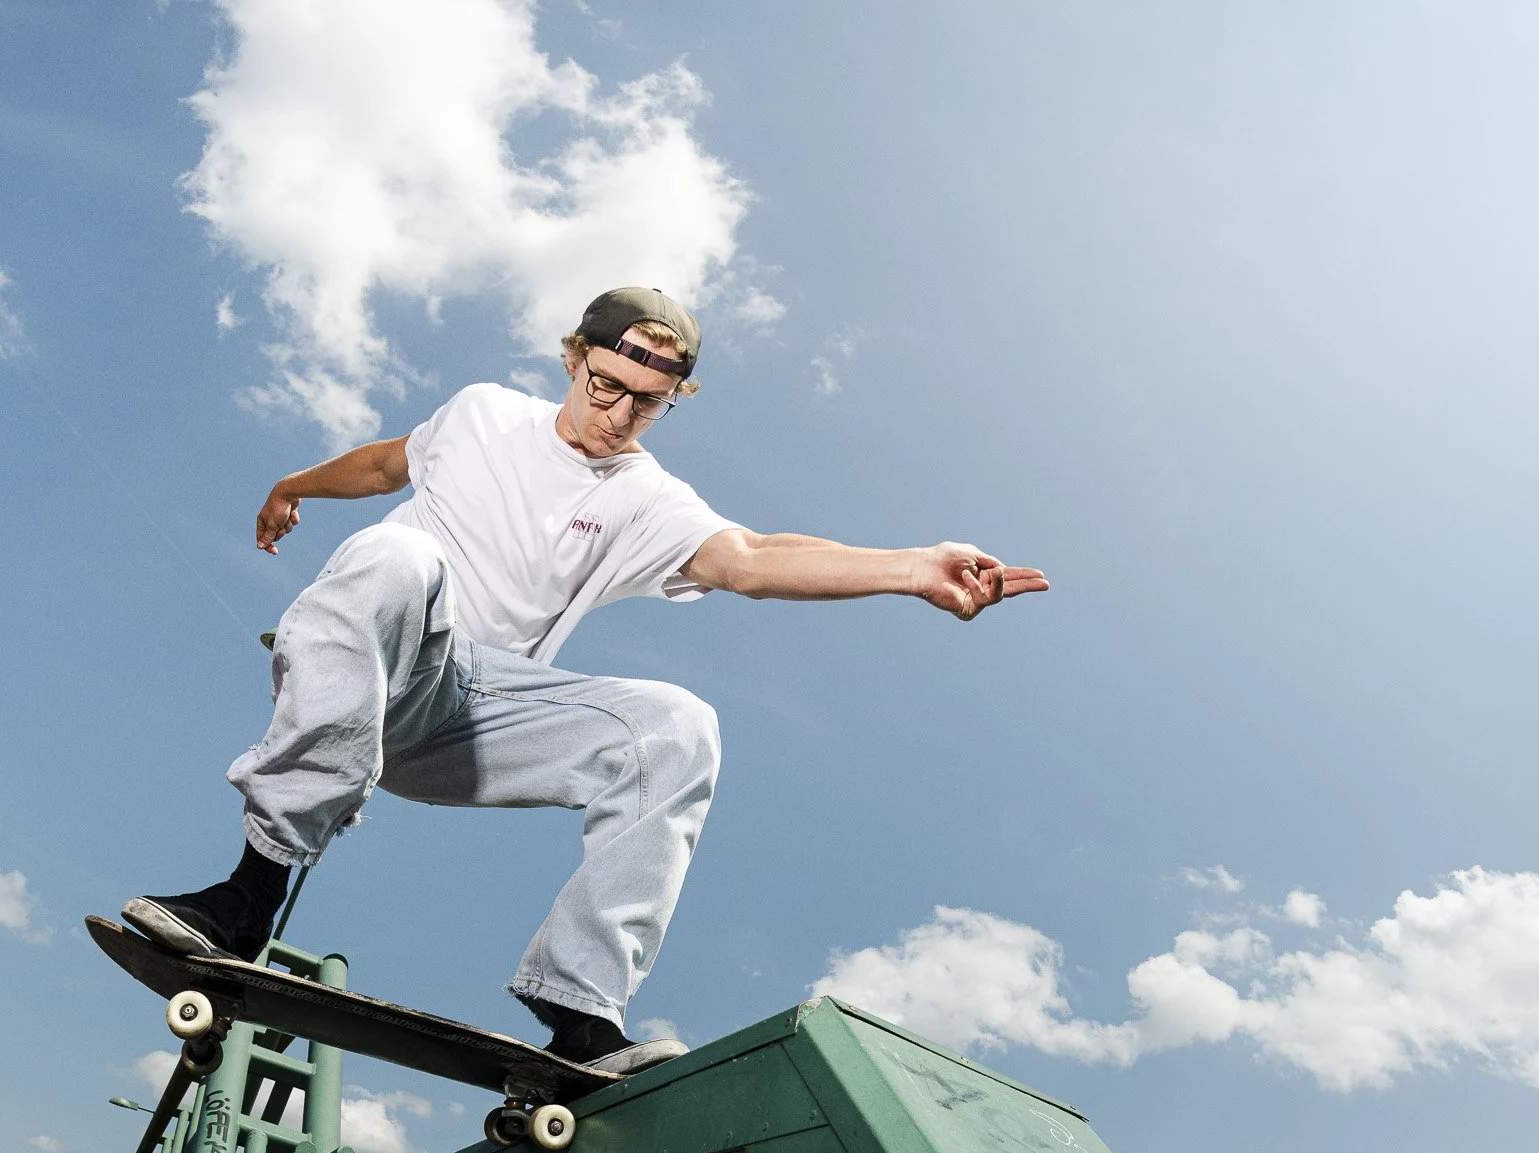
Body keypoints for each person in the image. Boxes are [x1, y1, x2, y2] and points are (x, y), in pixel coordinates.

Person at [123, 285, 1048, 1073]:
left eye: (649, 402)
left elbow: (754, 557)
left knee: (678, 724)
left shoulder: (644, 496)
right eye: (608, 386)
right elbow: (381, 464)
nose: (619, 416)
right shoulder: (483, 412)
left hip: (480, 721)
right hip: (382, 657)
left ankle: (580, 1013)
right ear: (573, 358)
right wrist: (292, 482)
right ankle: (249, 892)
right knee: (396, 557)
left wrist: (911, 566)